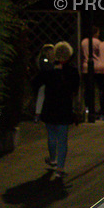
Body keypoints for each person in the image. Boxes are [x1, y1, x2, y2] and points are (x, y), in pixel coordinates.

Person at [32, 41, 78, 177]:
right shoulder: (72, 71)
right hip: (64, 108)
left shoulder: (48, 70)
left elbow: (35, 83)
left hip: (50, 107)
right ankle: (60, 168)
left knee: (51, 136)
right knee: (62, 139)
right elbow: (75, 88)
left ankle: (53, 158)